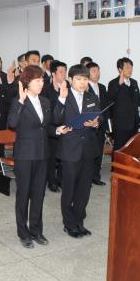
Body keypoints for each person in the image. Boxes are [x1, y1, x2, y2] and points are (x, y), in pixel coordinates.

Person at [7, 65, 66, 248]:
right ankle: (23, 232)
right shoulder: (19, 101)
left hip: (42, 154)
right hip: (25, 155)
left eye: (42, 80)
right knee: (23, 194)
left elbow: (46, 126)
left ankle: (36, 230)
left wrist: (57, 130)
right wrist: (20, 101)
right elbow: (12, 123)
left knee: (39, 194)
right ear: (27, 82)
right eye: (37, 80)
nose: (41, 84)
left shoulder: (45, 101)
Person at [54, 65, 100, 238]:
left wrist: (95, 123)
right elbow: (55, 119)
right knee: (69, 189)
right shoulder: (63, 96)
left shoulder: (91, 97)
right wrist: (61, 99)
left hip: (88, 149)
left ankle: (79, 221)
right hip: (70, 149)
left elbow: (100, 116)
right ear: (71, 79)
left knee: (84, 189)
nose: (82, 83)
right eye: (79, 79)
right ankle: (69, 224)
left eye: (85, 79)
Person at [43, 60, 69, 193]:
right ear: (53, 74)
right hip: (51, 128)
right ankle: (51, 181)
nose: (64, 74)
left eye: (65, 71)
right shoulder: (46, 90)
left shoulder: (69, 87)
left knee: (64, 155)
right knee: (52, 157)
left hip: (66, 127)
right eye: (61, 72)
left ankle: (61, 180)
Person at [107, 57, 140, 151]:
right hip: (121, 124)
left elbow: (138, 101)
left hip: (134, 123)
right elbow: (110, 100)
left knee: (132, 149)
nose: (130, 70)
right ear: (120, 69)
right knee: (119, 149)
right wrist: (119, 84)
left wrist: (139, 119)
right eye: (127, 67)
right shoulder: (113, 83)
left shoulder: (134, 82)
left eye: (131, 67)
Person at [86, 61, 108, 186]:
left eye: (98, 70)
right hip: (89, 125)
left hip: (101, 124)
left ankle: (96, 176)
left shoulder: (102, 87)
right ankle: (87, 178)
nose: (97, 73)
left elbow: (105, 106)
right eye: (94, 71)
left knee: (99, 152)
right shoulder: (84, 87)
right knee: (89, 153)